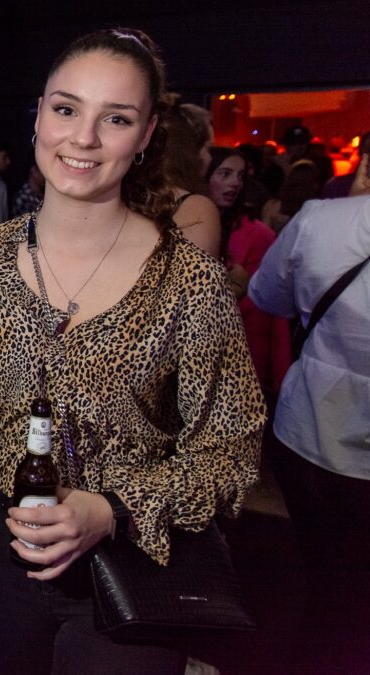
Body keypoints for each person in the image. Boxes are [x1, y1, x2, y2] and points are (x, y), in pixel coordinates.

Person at [0, 28, 264, 674]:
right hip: (2, 563)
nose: (83, 138)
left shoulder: (187, 281)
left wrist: (112, 509)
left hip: (135, 568)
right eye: (66, 109)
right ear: (39, 115)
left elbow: (231, 454)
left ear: (146, 135)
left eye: (115, 119)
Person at [247, 156, 370, 672]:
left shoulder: (321, 220)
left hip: (311, 432)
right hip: (320, 436)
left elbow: (265, 294)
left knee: (324, 575)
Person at [206, 147, 291, 398]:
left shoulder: (259, 235)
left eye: (240, 176)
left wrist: (281, 379)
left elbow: (277, 315)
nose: (235, 182)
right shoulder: (184, 227)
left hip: (244, 364)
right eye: (225, 174)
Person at [159, 96, 220, 256]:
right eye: (207, 148)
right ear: (188, 153)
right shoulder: (194, 208)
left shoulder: (128, 198)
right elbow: (194, 271)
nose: (210, 158)